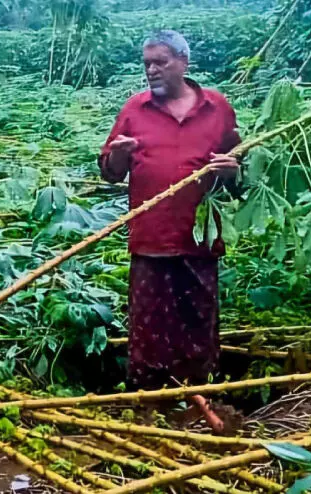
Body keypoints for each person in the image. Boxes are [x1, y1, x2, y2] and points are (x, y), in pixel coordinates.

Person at [98, 30, 242, 432]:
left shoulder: (218, 109)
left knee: (198, 319)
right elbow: (110, 173)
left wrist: (233, 171)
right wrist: (119, 157)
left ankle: (198, 398)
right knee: (149, 326)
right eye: (147, 62)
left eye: (160, 61)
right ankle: (147, 402)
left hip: (200, 238)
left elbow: (238, 167)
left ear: (183, 63)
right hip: (151, 237)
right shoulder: (134, 109)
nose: (151, 69)